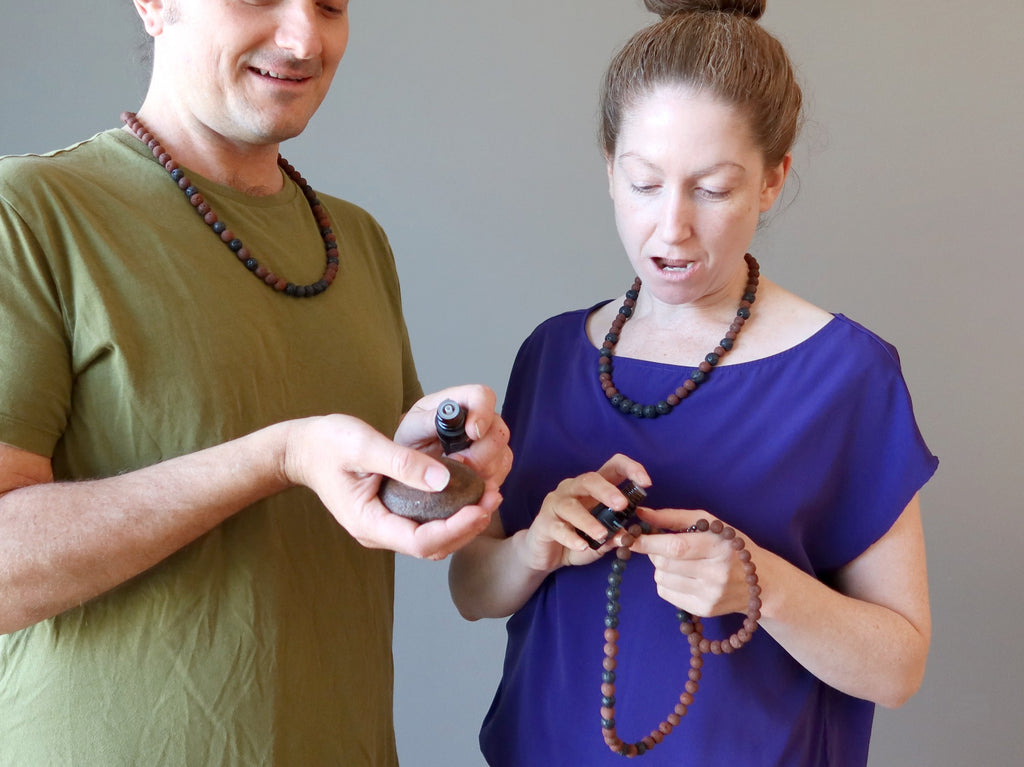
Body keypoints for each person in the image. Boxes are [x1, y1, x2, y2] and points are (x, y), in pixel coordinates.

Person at [0, 1, 511, 764]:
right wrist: (280, 457)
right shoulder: (31, 213)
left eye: (331, 4)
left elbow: (344, 488)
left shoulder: (356, 241)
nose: (305, 38)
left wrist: (423, 454)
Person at [448, 1, 938, 764]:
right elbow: (472, 590)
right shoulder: (550, 352)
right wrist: (534, 547)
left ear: (773, 180)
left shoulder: (847, 374)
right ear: (609, 169)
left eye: (711, 189)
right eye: (645, 183)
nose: (671, 227)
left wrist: (760, 585)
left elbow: (899, 665)